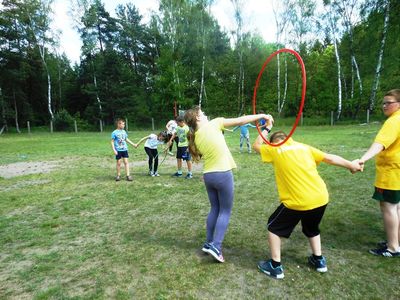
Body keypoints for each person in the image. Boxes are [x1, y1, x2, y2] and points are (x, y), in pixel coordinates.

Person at [253, 129, 361, 279]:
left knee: (273, 228)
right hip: (320, 198)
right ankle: (319, 260)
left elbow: (256, 145)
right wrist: (351, 165)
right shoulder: (304, 147)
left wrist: (266, 127)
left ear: (272, 142)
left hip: (297, 201)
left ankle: (275, 266)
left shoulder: (275, 148)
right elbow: (329, 158)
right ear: (289, 138)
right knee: (312, 228)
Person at [184, 106, 273, 263]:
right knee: (225, 211)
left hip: (209, 175)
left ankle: (209, 242)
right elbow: (240, 120)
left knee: (215, 209)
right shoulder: (215, 123)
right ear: (197, 118)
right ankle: (216, 247)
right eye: (202, 113)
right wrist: (263, 115)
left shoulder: (196, 136)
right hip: (222, 173)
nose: (205, 114)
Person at [358, 89, 400, 257]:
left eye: (388, 103)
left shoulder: (393, 122)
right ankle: (395, 240)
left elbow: (380, 144)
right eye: (383, 102)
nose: (384, 106)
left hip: (391, 173)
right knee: (397, 207)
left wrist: (363, 159)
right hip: (397, 171)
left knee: (388, 207)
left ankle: (392, 248)